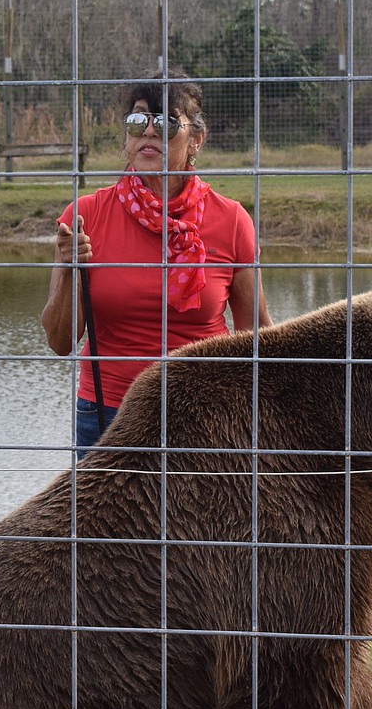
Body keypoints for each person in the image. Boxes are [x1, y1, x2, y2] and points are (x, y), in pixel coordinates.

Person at [42, 68, 273, 454]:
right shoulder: (84, 216)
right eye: (138, 120)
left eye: (166, 122)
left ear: (196, 139)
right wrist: (69, 269)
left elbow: (258, 338)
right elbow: (60, 341)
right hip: (108, 414)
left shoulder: (232, 221)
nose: (149, 132)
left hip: (205, 415)